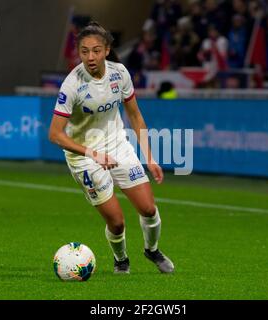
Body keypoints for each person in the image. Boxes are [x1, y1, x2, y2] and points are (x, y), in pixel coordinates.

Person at [48, 22, 174, 274]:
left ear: (106, 50)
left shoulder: (120, 73)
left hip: (117, 146)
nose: (90, 57)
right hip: (84, 157)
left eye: (95, 50)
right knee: (117, 223)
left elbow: (136, 117)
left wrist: (150, 158)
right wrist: (92, 154)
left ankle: (152, 250)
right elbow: (55, 134)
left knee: (149, 209)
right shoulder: (72, 85)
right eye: (84, 51)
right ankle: (121, 260)